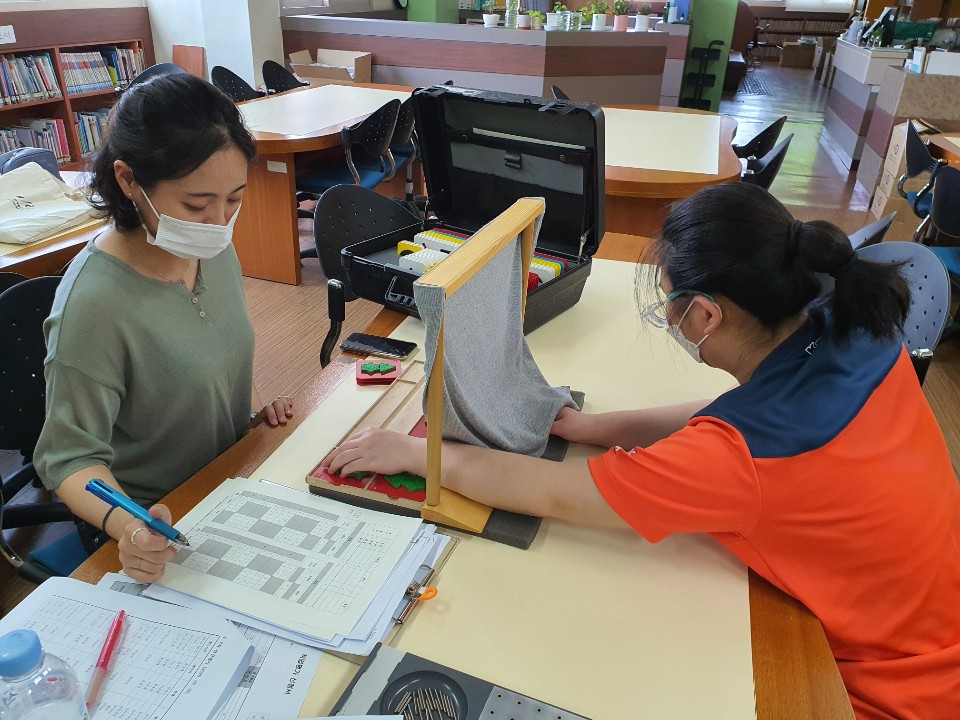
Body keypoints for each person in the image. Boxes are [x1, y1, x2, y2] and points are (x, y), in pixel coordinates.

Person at [322, 183, 960, 720]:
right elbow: (731, 417)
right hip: (936, 630)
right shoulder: (850, 325)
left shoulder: (739, 461)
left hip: (883, 692)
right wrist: (592, 427)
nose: (670, 321)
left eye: (671, 308)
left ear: (707, 317)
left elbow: (550, 492)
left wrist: (416, 455)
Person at [35, 73, 294, 584]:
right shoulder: (95, 303)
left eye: (235, 199)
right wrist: (128, 526)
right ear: (129, 181)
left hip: (228, 481)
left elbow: (215, 340)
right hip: (156, 520)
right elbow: (67, 459)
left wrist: (250, 405)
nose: (219, 221)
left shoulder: (207, 245)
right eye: (196, 205)